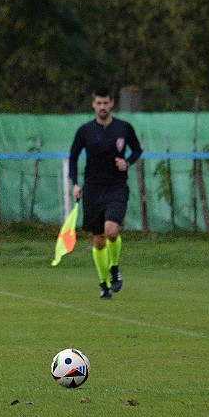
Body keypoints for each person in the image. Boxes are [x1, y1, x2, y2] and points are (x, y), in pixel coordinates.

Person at [69, 87, 143, 299]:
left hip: (116, 187)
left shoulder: (123, 128)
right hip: (93, 189)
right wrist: (75, 184)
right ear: (93, 105)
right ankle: (103, 284)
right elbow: (73, 157)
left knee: (111, 231)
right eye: (98, 103)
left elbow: (137, 150)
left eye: (106, 103)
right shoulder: (85, 131)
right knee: (98, 240)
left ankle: (115, 268)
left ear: (112, 104)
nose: (102, 107)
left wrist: (127, 162)